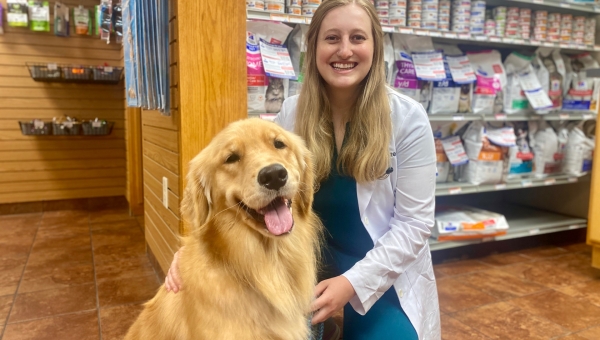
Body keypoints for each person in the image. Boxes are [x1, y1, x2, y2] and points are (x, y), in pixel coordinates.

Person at [165, 0, 441, 339]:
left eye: (357, 37)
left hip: (383, 269)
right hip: (300, 257)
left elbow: (415, 225)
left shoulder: (409, 120)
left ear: (375, 46)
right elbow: (246, 198)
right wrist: (196, 252)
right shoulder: (291, 114)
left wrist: (352, 283)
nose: (344, 50)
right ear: (313, 49)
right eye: (331, 38)